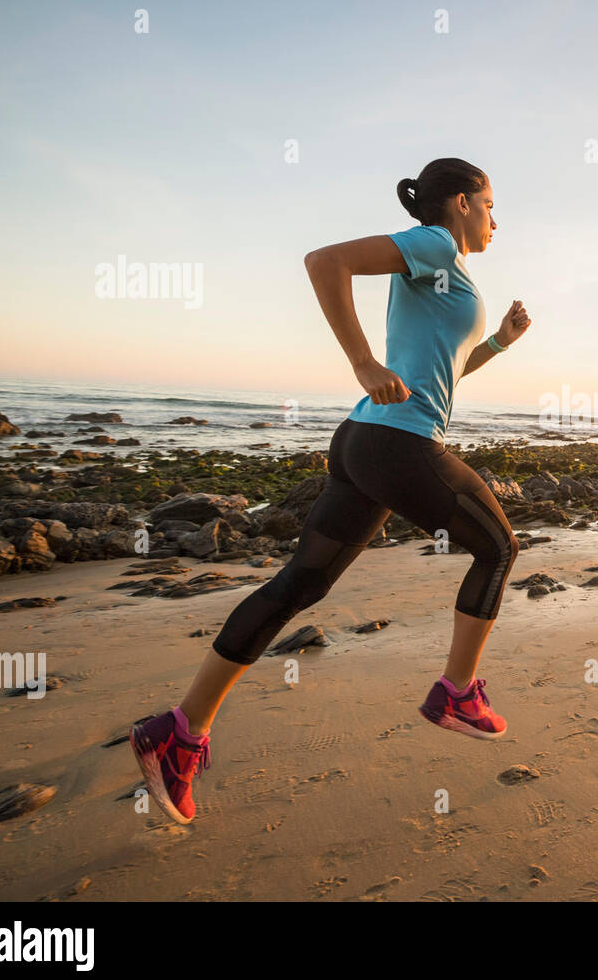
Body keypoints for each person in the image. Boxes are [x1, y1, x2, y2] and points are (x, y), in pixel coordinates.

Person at [130, 157, 531, 824]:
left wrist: (500, 342)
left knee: (299, 586)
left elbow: (449, 368)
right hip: (395, 443)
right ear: (461, 203)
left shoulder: (445, 274)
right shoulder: (433, 245)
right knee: (497, 548)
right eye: (491, 205)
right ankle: (456, 693)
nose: (497, 219)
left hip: (364, 442)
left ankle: (178, 732)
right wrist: (363, 361)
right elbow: (325, 262)